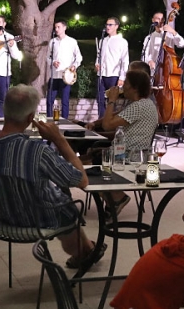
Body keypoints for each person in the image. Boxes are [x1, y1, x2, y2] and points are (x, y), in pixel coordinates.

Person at [0, 85, 103, 269]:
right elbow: (82, 180)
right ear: (31, 118)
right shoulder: (36, 151)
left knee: (57, 194)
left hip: (5, 217)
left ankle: (87, 250)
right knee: (65, 205)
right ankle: (87, 251)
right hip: (41, 220)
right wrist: (59, 140)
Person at [97, 69, 160, 215]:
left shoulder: (139, 106)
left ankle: (117, 197)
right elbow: (118, 124)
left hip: (127, 157)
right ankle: (114, 198)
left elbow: (107, 124)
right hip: (129, 152)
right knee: (89, 154)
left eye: (126, 83)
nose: (122, 86)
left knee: (82, 167)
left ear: (135, 88)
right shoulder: (145, 104)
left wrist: (111, 100)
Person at [46, 20, 83, 119]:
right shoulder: (52, 42)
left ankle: (65, 121)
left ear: (64, 28)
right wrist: (53, 62)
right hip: (54, 75)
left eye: (58, 27)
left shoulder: (72, 41)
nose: (56, 29)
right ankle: (49, 120)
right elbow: (47, 57)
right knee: (49, 100)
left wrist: (74, 65)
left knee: (65, 101)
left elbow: (79, 57)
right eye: (55, 27)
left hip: (66, 76)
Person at [95, 17, 129, 119]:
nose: (107, 27)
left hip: (113, 74)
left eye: (110, 25)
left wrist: (122, 77)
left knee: (112, 100)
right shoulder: (102, 40)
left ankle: (110, 122)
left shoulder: (122, 41)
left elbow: (125, 60)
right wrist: (97, 63)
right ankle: (101, 120)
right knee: (100, 99)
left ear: (116, 26)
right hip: (101, 74)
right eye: (107, 24)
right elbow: (99, 55)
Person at [141, 10, 184, 77]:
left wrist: (173, 32)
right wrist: (149, 61)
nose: (160, 21)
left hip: (168, 69)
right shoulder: (149, 37)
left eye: (162, 19)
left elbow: (182, 44)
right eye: (158, 19)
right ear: (153, 20)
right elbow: (145, 54)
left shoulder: (170, 34)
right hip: (154, 71)